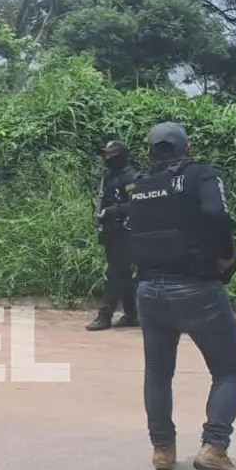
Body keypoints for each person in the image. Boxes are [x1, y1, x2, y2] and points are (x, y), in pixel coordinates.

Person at [124, 122, 236, 470]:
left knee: (158, 372)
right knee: (228, 370)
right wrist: (225, 257)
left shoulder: (139, 185)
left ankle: (163, 449)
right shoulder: (201, 175)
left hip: (148, 289)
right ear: (187, 149)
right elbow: (218, 215)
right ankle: (214, 447)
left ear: (150, 152)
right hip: (197, 288)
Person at [88, 140, 140, 331]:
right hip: (111, 232)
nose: (107, 159)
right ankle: (132, 314)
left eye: (110, 155)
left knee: (114, 273)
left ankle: (104, 316)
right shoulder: (108, 175)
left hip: (126, 232)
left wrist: (112, 211)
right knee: (123, 273)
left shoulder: (130, 177)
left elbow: (136, 204)